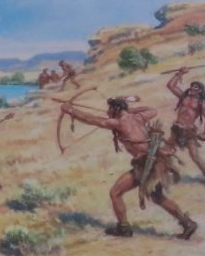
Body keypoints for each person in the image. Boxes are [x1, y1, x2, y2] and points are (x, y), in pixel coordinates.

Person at [61, 96, 197, 240]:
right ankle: (186, 223)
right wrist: (130, 110)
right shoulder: (138, 117)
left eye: (110, 109)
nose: (108, 112)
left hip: (147, 164)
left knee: (116, 193)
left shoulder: (119, 123)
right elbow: (153, 111)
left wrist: (71, 110)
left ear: (115, 109)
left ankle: (124, 228)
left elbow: (91, 119)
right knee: (157, 197)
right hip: (155, 161)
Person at [166, 65, 205, 186]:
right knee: (166, 150)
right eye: (192, 86)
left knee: (194, 155)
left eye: (195, 87)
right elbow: (170, 85)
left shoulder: (202, 103)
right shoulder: (184, 96)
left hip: (188, 132)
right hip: (176, 129)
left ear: (200, 91)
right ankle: (166, 173)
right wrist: (180, 73)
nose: (192, 89)